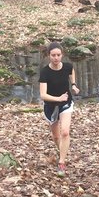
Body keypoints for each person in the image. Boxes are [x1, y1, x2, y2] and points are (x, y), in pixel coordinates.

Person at [39, 42, 79, 176]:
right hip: (50, 106)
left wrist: (73, 85)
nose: (56, 58)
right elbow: (43, 95)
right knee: (56, 136)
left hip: (65, 103)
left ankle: (61, 162)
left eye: (58, 55)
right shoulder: (45, 72)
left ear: (62, 55)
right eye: (53, 55)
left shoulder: (67, 66)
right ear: (48, 56)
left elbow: (71, 71)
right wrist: (58, 99)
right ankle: (61, 150)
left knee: (65, 132)